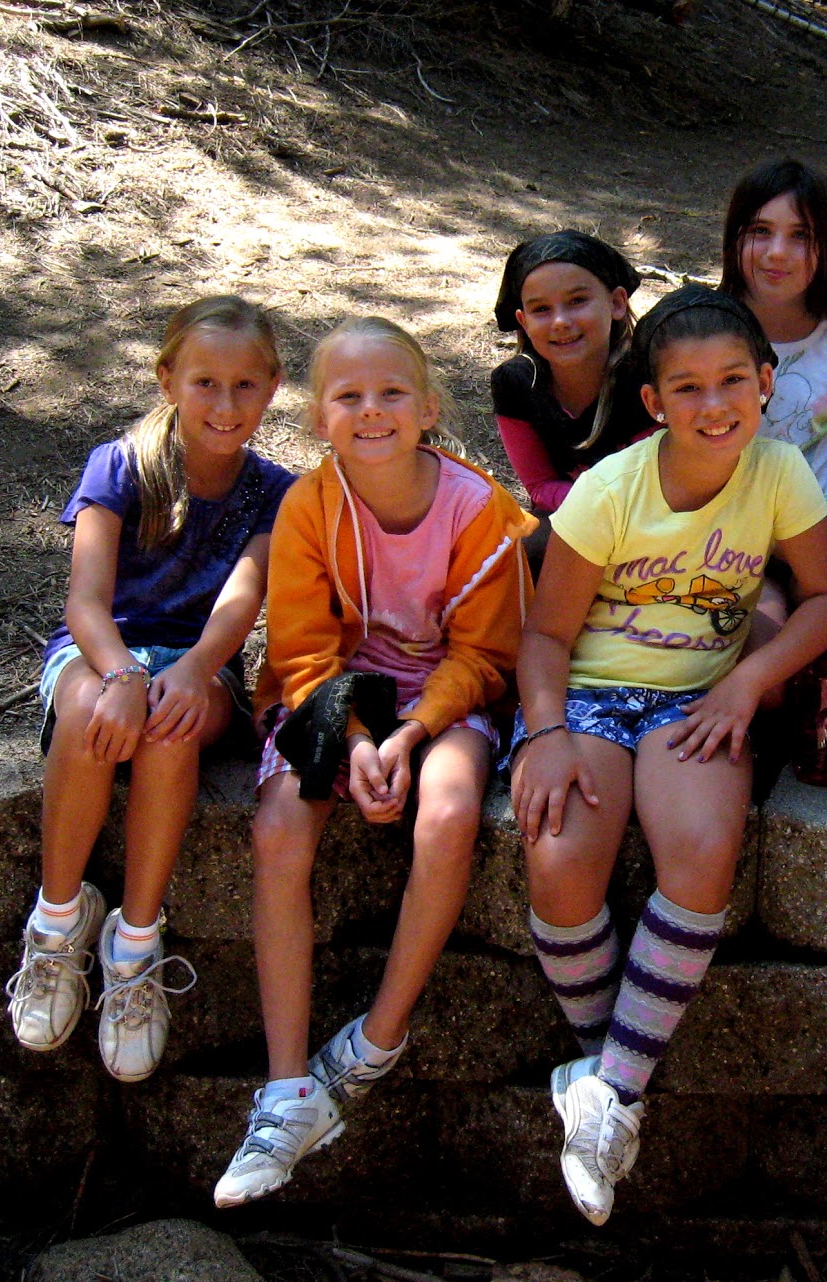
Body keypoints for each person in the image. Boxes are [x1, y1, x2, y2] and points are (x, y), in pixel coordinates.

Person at [510, 285, 827, 1225]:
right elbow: (545, 635)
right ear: (653, 401)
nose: (715, 405)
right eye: (689, 388)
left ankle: (606, 1091)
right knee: (561, 858)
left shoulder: (777, 471)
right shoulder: (609, 490)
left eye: (733, 381)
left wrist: (750, 680)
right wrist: (544, 734)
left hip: (696, 698)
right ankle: (614, 1083)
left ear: (766, 383)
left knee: (704, 851)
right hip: (588, 693)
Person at [214, 317, 534, 1207]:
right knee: (280, 826)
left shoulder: (478, 509)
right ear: (319, 418)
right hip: (337, 690)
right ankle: (286, 1087)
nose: (371, 411)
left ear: (428, 408)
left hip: (445, 694)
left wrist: (410, 734)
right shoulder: (308, 507)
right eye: (348, 396)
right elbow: (304, 654)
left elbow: (486, 655)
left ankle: (375, 1040)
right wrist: (356, 739)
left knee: (449, 809)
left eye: (392, 392)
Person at [7, 295, 292, 1083]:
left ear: (273, 387)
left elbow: (241, 601)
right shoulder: (119, 465)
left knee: (172, 726)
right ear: (168, 380)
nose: (225, 403)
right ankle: (57, 922)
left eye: (245, 384)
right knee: (89, 712)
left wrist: (191, 669)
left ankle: (135, 944)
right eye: (205, 383)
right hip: (102, 651)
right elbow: (85, 602)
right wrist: (124, 672)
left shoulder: (275, 491)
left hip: (201, 662)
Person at [720, 157, 827, 633]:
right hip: (727, 536)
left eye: (801, 236)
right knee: (761, 626)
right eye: (761, 231)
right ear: (734, 237)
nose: (778, 253)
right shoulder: (705, 331)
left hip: (822, 528)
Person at [491, 231, 655, 572]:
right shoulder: (516, 383)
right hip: (570, 519)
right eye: (541, 309)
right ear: (523, 320)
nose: (561, 322)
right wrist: (595, 507)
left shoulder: (647, 376)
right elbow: (540, 486)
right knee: (519, 550)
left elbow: (658, 484)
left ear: (617, 303)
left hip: (654, 519)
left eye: (577, 301)